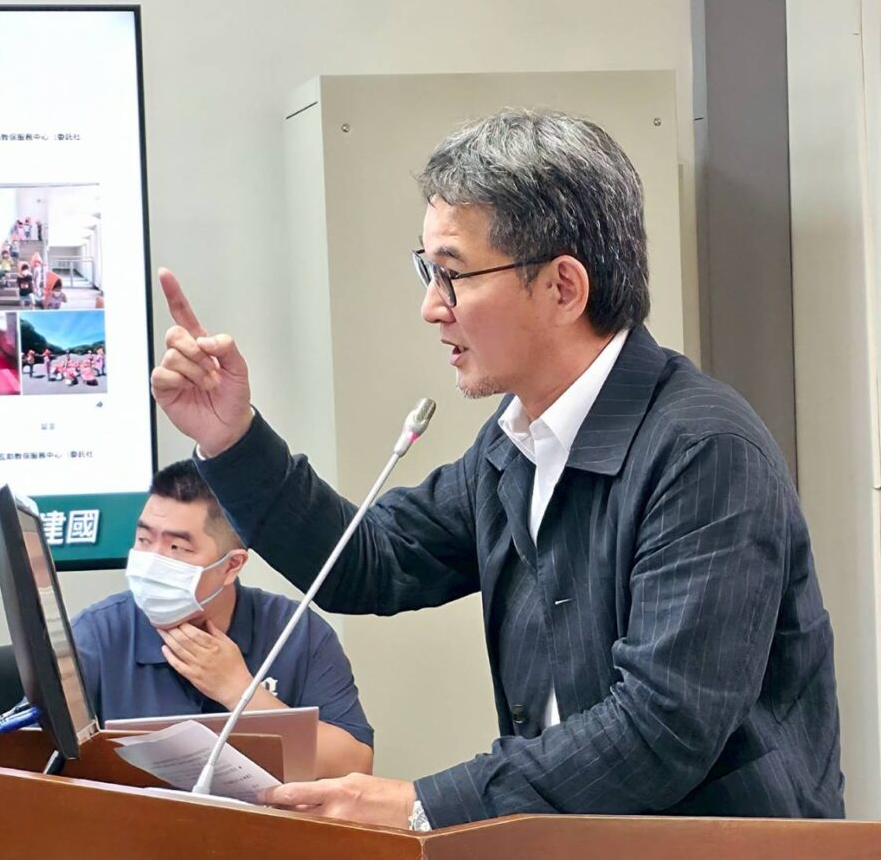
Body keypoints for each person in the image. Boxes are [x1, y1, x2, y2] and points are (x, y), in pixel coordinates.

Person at [150, 108, 844, 828]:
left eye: (452, 275)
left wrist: (420, 803)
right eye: (428, 272)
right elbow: (369, 561)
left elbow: (662, 726)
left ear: (563, 287)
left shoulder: (703, 450)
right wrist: (231, 437)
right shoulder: (514, 442)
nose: (431, 307)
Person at [69, 459, 374, 779]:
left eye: (177, 547)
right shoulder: (95, 635)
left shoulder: (297, 633)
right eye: (144, 540)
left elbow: (354, 765)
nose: (153, 561)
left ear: (231, 566)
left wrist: (237, 690)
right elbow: (44, 763)